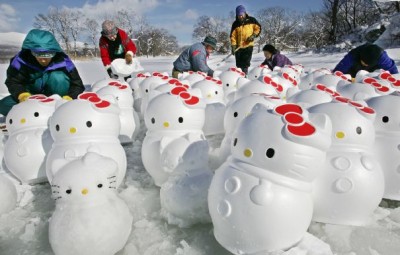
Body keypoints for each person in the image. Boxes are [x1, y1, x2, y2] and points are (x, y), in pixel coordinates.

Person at [0, 29, 85, 117]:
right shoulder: (20, 61)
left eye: (49, 54)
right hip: (31, 97)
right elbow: (13, 81)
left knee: (58, 77)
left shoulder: (64, 61)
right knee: (3, 105)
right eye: (38, 54)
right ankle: (35, 113)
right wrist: (22, 94)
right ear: (30, 51)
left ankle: (60, 110)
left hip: (58, 99)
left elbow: (77, 84)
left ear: (55, 51)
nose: (43, 59)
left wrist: (70, 97)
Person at [333, 43, 398, 78]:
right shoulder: (354, 54)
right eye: (364, 62)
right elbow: (341, 68)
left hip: (373, 72)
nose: (365, 65)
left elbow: (392, 70)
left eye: (367, 64)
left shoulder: (382, 57)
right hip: (356, 70)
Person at [230, 5, 261, 75]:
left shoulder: (252, 20)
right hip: (238, 47)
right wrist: (233, 46)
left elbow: (258, 28)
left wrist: (253, 35)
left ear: (244, 13)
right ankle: (238, 77)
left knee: (245, 64)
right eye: (239, 15)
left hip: (248, 45)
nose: (240, 16)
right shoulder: (235, 24)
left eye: (241, 14)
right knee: (238, 64)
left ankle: (244, 76)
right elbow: (233, 36)